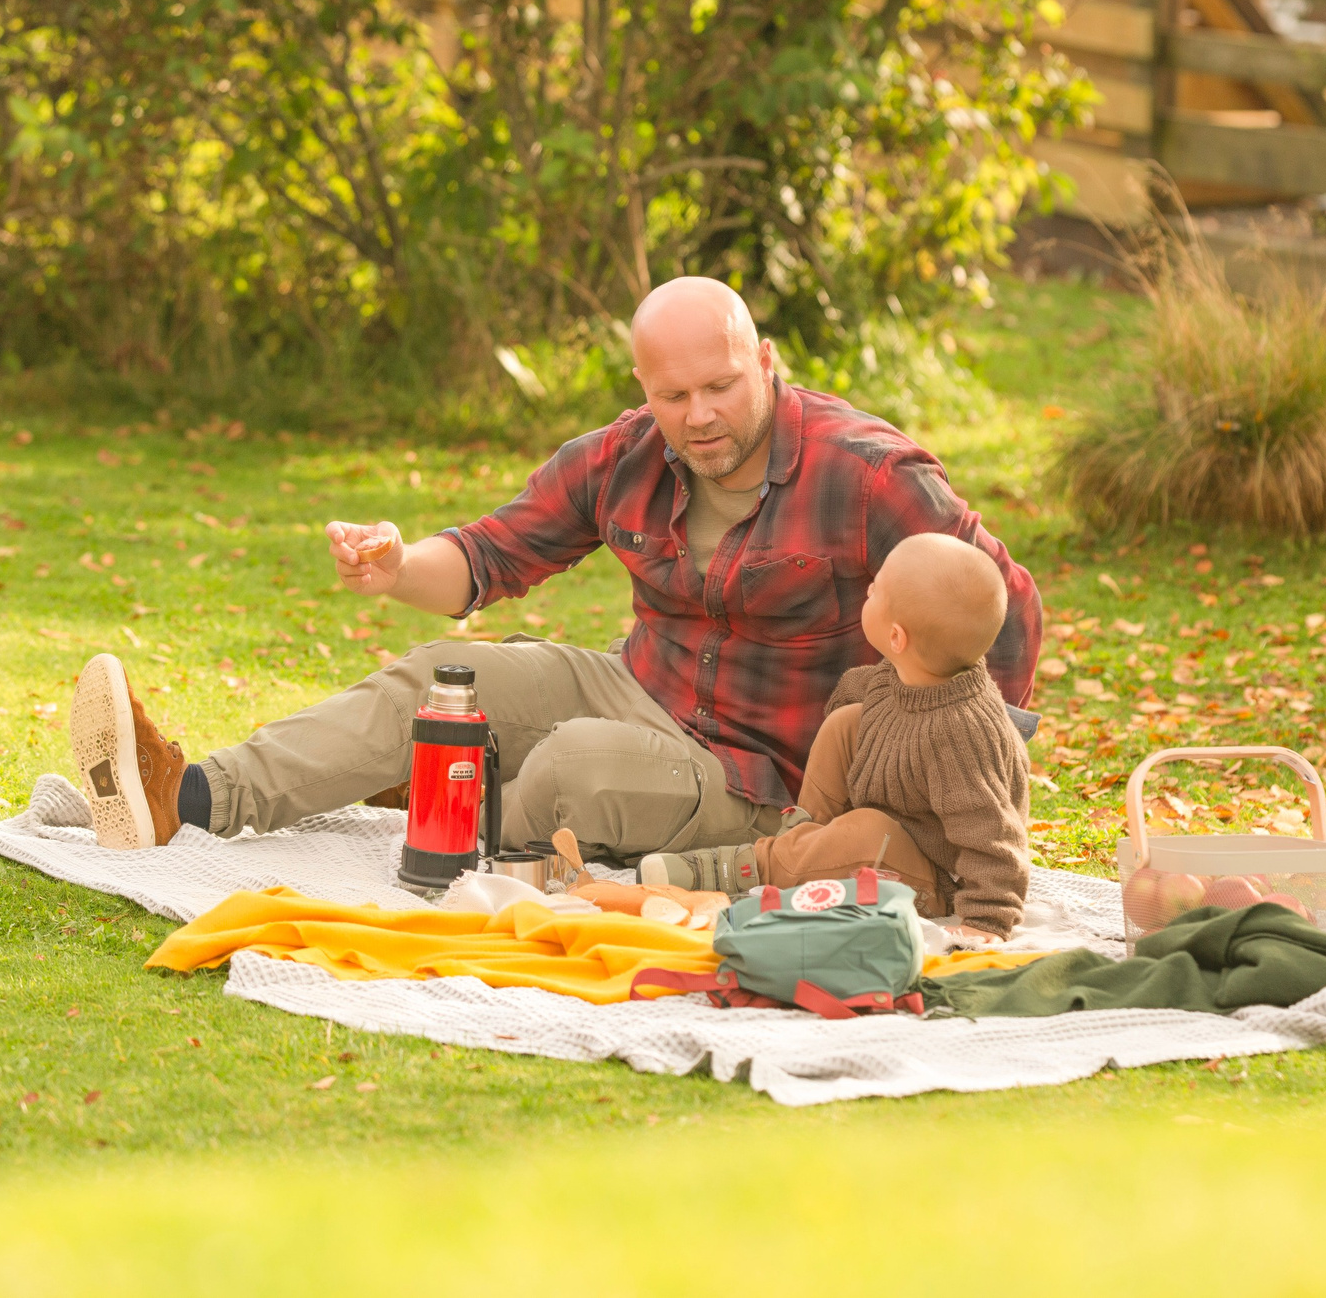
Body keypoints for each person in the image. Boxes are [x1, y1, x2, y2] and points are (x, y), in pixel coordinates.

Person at [66, 275, 1042, 867]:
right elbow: (486, 559)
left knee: (576, 761)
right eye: (673, 394)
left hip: (764, 776)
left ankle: (465, 795)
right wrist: (394, 561)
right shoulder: (624, 454)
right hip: (639, 688)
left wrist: (960, 783)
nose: (699, 414)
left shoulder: (865, 471)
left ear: (768, 361)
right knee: (441, 683)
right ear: (643, 391)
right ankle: (182, 800)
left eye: (721, 386)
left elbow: (1005, 603)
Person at [639, 531, 1029, 942]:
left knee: (864, 831)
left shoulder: (959, 735)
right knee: (846, 724)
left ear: (896, 637)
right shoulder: (910, 672)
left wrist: (987, 920)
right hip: (895, 825)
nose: (868, 589)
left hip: (938, 875)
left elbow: (994, 836)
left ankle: (739, 868)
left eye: (876, 592)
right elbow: (869, 698)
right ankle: (803, 842)